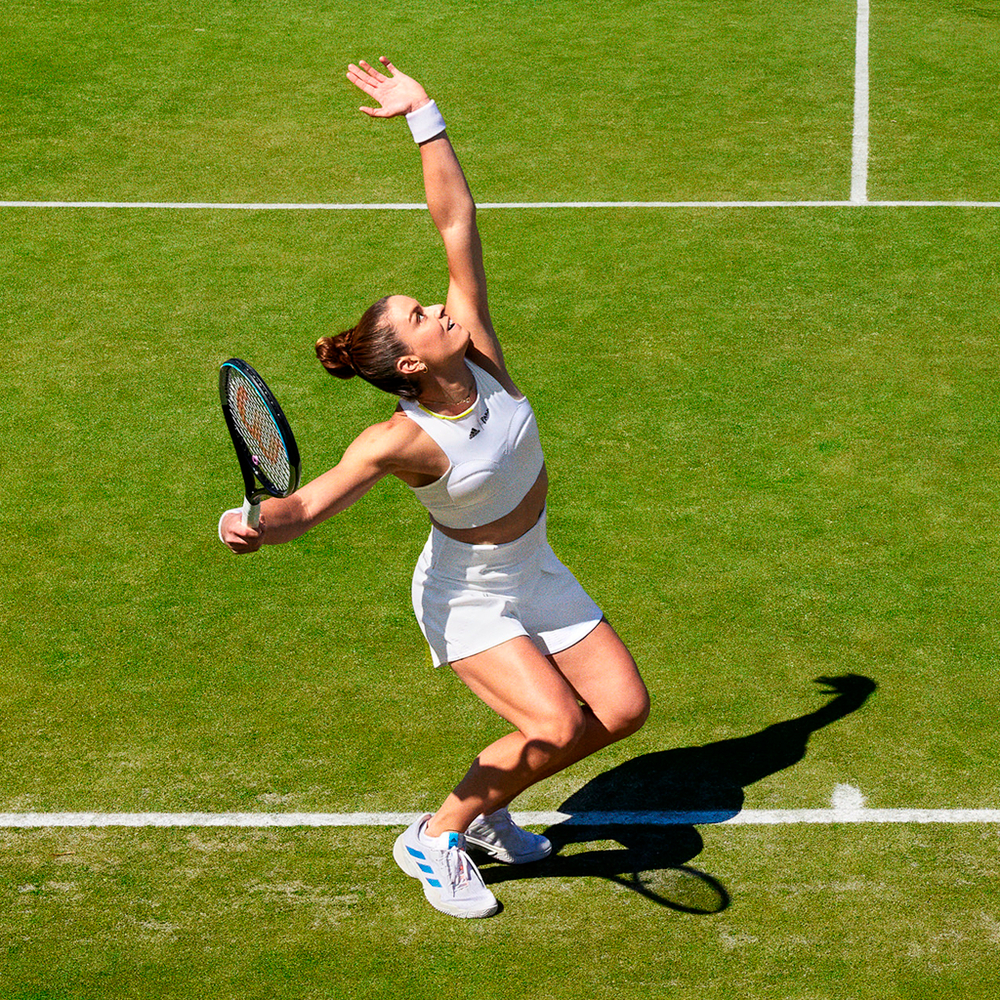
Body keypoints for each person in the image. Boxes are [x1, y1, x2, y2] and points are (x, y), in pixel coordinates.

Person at [219, 56, 650, 919]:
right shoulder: (401, 441)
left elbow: (457, 221)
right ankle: (435, 835)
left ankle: (488, 814)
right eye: (422, 314)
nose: (441, 308)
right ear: (412, 362)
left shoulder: (479, 349)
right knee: (557, 726)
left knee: (623, 709)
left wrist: (426, 116)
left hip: (535, 565)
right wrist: (252, 520)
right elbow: (307, 506)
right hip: (469, 597)